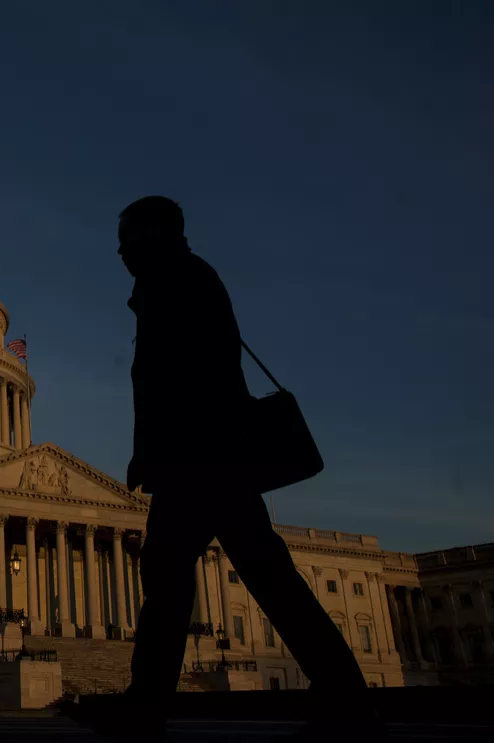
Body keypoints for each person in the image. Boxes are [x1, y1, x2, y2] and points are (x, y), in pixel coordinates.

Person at [114, 196, 377, 740]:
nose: (122, 248)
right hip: (208, 455)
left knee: (176, 578)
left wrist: (158, 450)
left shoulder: (178, 283)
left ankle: (147, 702)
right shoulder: (180, 279)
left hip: (199, 456)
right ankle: (341, 682)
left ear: (156, 233)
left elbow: (178, 379)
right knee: (254, 573)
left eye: (129, 236)